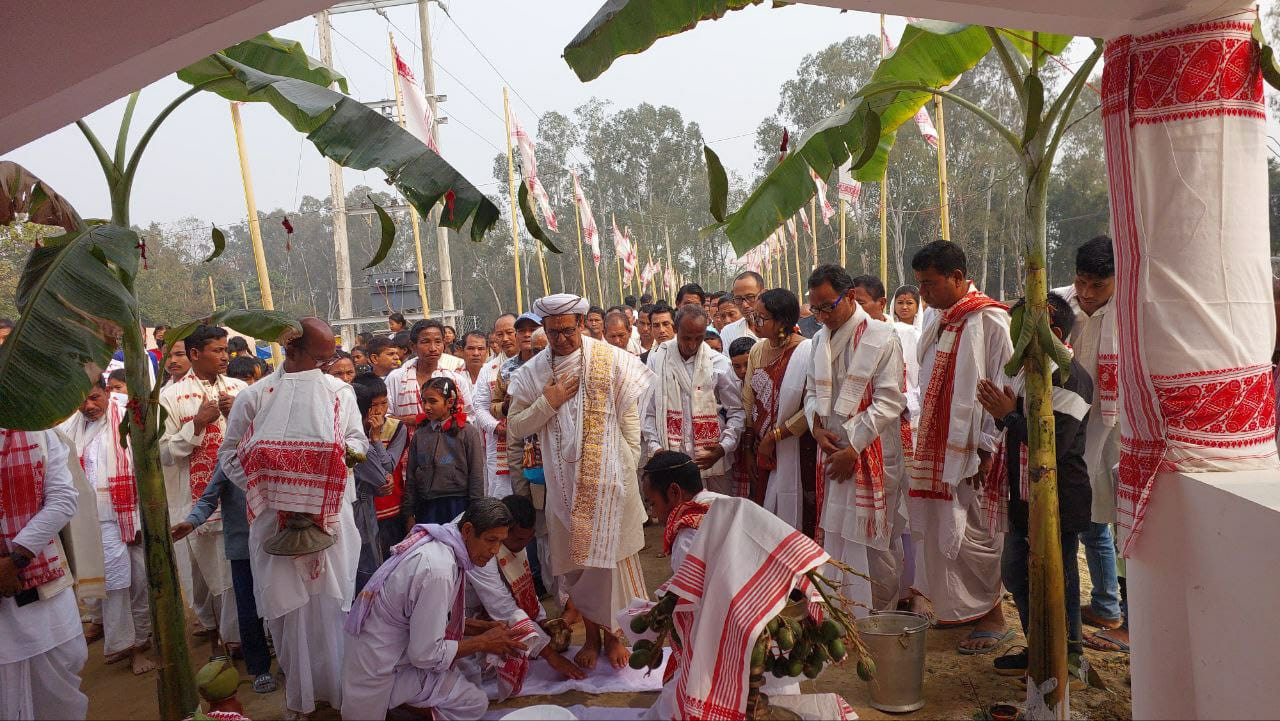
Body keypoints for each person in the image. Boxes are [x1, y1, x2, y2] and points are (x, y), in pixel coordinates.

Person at [219, 317, 369, 718]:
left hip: (331, 520)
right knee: (287, 612)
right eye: (321, 358)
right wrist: (271, 490)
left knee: (333, 607)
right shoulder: (255, 396)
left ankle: (339, 695)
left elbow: (357, 439)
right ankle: (299, 699)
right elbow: (230, 454)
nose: (327, 366)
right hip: (273, 522)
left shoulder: (341, 392)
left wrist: (344, 459)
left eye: (330, 358)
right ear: (291, 349)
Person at [506, 294, 652, 671]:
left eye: (568, 331)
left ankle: (617, 635)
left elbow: (630, 424)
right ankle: (592, 634)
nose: (562, 339)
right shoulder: (533, 373)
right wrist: (547, 402)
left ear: (583, 324)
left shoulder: (613, 359)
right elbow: (516, 427)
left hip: (611, 483)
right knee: (578, 567)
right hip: (564, 489)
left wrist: (627, 467)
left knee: (615, 563)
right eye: (553, 333)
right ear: (545, 330)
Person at [977, 292, 1093, 676]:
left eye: (1021, 335)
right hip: (1024, 497)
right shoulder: (1033, 370)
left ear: (1052, 332)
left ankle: (1068, 659)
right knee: (1018, 573)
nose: (1015, 347)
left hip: (1057, 499)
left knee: (1059, 582)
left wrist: (1008, 416)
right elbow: (1022, 429)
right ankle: (1039, 649)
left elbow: (1051, 446)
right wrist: (1003, 414)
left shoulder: (1071, 379)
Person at [906, 241, 1013, 653]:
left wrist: (986, 447)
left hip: (974, 450)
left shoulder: (989, 320)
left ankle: (993, 616)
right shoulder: (939, 319)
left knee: (977, 532)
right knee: (943, 529)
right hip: (939, 444)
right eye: (919, 284)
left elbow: (1003, 386)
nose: (923, 294)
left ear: (956, 277)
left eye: (929, 283)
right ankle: (959, 610)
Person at [341, 498, 527, 720]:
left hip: (385, 654)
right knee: (473, 703)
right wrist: (485, 642)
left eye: (500, 542)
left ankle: (403, 706)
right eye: (490, 540)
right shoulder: (438, 569)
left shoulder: (442, 545)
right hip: (384, 668)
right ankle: (402, 706)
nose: (495, 550)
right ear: (467, 530)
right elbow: (425, 655)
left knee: (465, 678)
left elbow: (423, 618)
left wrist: (478, 628)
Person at [805, 266, 909, 614]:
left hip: (872, 452)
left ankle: (879, 614)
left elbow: (890, 401)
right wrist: (816, 428)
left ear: (849, 297)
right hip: (833, 450)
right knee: (836, 532)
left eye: (827, 307)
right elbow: (810, 394)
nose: (821, 316)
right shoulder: (819, 339)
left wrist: (853, 447)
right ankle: (844, 610)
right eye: (815, 309)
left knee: (874, 541)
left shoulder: (881, 336)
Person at [1053, 236, 1126, 652]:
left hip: (1116, 426)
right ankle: (1104, 603)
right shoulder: (1058, 303)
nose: (1086, 293)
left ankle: (1116, 608)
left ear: (1118, 279)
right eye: (1081, 282)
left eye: (1098, 285)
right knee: (1089, 517)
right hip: (1070, 425)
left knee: (1115, 521)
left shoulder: (1133, 308)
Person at [58, 382, 154, 675]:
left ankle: (141, 640)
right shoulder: (70, 425)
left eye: (94, 397)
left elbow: (148, 461)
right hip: (95, 519)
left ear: (107, 392)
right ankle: (127, 644)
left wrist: (136, 519)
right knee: (115, 583)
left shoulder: (129, 412)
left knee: (139, 580)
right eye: (81, 401)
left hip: (134, 513)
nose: (88, 406)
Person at [159, 325, 242, 648]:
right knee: (215, 576)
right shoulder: (170, 397)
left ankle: (242, 634)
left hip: (240, 498)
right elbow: (164, 453)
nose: (225, 356)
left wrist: (238, 413)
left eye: (226, 350)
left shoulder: (238, 388)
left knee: (240, 570)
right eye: (217, 350)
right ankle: (224, 636)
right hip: (199, 504)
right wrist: (197, 423)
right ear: (195, 354)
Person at [0, 428, 89, 721]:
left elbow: (63, 498)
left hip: (40, 582)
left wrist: (15, 560)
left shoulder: (39, 430)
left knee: (61, 678)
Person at [170, 463, 277, 694]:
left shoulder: (272, 447)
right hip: (242, 550)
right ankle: (259, 669)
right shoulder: (229, 460)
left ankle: (288, 660)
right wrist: (191, 522)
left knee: (280, 606)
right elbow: (209, 498)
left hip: (273, 546)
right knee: (248, 611)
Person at [464, 495, 584, 681]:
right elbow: (503, 607)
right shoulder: (481, 548)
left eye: (529, 539)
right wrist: (551, 656)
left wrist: (541, 622)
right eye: (519, 539)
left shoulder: (510, 538)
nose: (524, 545)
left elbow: (524, 583)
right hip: (463, 617)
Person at [645, 303, 744, 497]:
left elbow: (736, 411)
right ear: (675, 329)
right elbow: (648, 411)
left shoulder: (719, 363)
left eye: (698, 338)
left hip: (712, 459)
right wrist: (657, 448)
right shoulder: (657, 360)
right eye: (686, 338)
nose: (692, 345)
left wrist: (724, 448)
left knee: (717, 516)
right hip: (673, 459)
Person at [744, 289, 816, 524]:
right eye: (754, 316)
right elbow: (749, 399)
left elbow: (811, 407)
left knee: (799, 514)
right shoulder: (757, 349)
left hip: (795, 448)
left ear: (782, 321)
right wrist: (751, 444)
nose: (755, 322)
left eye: (761, 317)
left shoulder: (806, 351)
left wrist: (775, 436)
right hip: (762, 450)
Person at [350, 374, 406, 594]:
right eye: (374, 406)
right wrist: (374, 439)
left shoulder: (394, 427)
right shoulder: (356, 440)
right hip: (361, 510)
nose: (379, 411)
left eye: (384, 404)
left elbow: (389, 469)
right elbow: (383, 476)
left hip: (381, 506)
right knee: (365, 570)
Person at [403, 377, 484, 527]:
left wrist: (475, 511)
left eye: (433, 401)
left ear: (450, 402)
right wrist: (409, 513)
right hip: (426, 506)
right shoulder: (420, 435)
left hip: (458, 505)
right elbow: (411, 477)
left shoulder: (467, 432)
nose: (426, 407)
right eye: (424, 401)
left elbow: (476, 474)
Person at [386, 319, 473, 427]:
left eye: (437, 342)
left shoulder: (456, 380)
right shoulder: (396, 378)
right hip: (405, 442)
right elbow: (385, 417)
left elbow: (468, 416)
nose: (433, 348)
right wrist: (414, 421)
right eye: (425, 342)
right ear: (413, 346)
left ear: (444, 344)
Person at [474, 314, 519, 498]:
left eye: (510, 332)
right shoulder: (489, 369)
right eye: (500, 335)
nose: (505, 339)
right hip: (499, 443)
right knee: (502, 497)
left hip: (531, 442)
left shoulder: (535, 362)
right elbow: (480, 407)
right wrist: (496, 427)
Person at [719, 271, 763, 353]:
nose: (744, 305)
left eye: (750, 297)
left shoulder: (779, 328)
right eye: (738, 299)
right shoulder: (729, 332)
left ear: (763, 293)